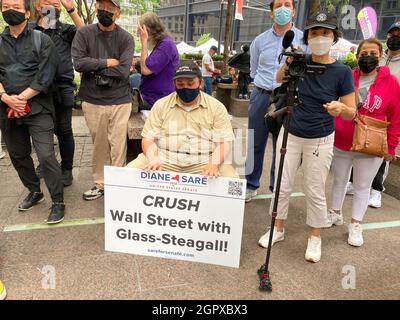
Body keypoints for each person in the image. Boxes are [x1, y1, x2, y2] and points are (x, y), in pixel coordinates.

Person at [258, 11, 356, 263]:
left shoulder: (342, 72)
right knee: (282, 184)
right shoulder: (300, 60)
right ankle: (277, 228)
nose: (320, 38)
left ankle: (315, 236)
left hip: (321, 138)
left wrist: (340, 109)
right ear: (308, 37)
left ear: (334, 37)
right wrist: (289, 62)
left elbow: (351, 112)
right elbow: (278, 79)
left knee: (314, 189)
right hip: (290, 132)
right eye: (314, 33)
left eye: (325, 33)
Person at [327, 38, 400, 247]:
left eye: (373, 54)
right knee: (339, 180)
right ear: (357, 56)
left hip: (371, 144)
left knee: (362, 186)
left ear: (381, 56)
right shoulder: (347, 77)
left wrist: (392, 146)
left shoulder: (391, 82)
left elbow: (396, 117)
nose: (368, 57)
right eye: (364, 53)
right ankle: (335, 213)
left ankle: (356, 224)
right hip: (342, 139)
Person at [0, 0, 65, 223]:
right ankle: (34, 191)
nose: (10, 10)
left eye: (16, 7)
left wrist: (21, 98)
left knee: (46, 155)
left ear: (27, 13)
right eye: (6, 6)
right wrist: (6, 98)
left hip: (38, 108)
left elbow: (45, 75)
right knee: (18, 156)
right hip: (7, 109)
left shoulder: (42, 39)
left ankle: (58, 201)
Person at [126, 62, 238, 179]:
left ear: (201, 83)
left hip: (204, 160)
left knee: (233, 182)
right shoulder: (161, 105)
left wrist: (213, 164)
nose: (186, 88)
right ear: (174, 84)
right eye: (180, 84)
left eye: (190, 84)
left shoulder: (216, 107)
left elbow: (224, 143)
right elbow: (148, 139)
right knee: (127, 174)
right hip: (164, 158)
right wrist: (153, 159)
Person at [71, 0, 134, 201]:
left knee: (118, 144)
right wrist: (107, 62)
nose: (104, 12)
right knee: (99, 144)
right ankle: (100, 183)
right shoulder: (84, 34)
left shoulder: (126, 38)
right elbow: (79, 63)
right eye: (101, 8)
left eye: (110, 9)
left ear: (118, 13)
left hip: (120, 99)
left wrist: (95, 65)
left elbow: (124, 70)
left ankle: (118, 183)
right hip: (92, 99)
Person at [245, 0, 306, 202]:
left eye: (287, 5)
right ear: (271, 13)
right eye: (278, 5)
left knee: (282, 146)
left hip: (288, 96)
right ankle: (250, 184)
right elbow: (253, 71)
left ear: (294, 11)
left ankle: (275, 188)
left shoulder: (303, 40)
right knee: (254, 141)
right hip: (261, 95)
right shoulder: (259, 41)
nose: (283, 9)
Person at [347, 21, 400, 208]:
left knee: (381, 151)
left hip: (387, 116)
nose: (395, 38)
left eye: (398, 35)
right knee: (360, 148)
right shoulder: (380, 57)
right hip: (365, 113)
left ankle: (376, 190)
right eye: (392, 34)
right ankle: (354, 183)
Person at [31, 0, 84, 187]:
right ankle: (46, 164)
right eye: (48, 3)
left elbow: (86, 33)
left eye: (56, 4)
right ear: (38, 6)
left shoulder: (65, 30)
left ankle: (67, 168)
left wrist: (71, 9)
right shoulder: (30, 30)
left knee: (64, 130)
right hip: (35, 90)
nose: (53, 7)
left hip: (62, 88)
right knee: (40, 130)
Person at [137, 12, 179, 110]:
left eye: (140, 29)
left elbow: (145, 69)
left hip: (157, 99)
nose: (138, 32)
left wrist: (143, 41)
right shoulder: (162, 44)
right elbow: (147, 64)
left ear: (147, 30)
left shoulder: (166, 45)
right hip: (153, 98)